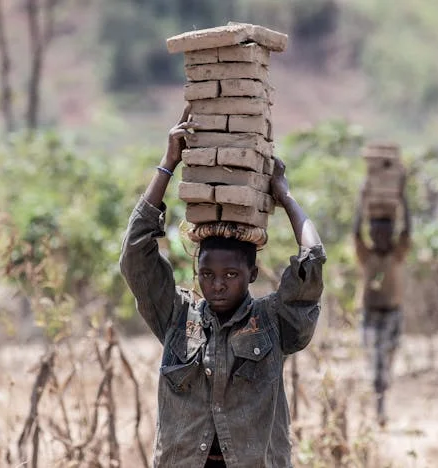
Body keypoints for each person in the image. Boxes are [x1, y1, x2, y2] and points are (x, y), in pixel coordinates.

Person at [119, 104, 326, 467]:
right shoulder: (177, 317)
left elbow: (311, 259)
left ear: (252, 274)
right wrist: (168, 165)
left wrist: (285, 196)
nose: (217, 285)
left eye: (231, 275)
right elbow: (135, 255)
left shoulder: (273, 321)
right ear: (196, 272)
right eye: (207, 274)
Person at [353, 176, 411, 428]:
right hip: (371, 315)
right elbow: (355, 230)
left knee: (387, 359)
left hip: (392, 314)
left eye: (385, 232)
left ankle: (380, 401)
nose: (380, 236)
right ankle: (379, 408)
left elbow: (408, 229)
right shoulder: (366, 255)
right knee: (376, 362)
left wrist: (402, 196)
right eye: (375, 232)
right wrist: (362, 200)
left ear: (391, 233)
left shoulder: (397, 253)